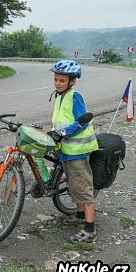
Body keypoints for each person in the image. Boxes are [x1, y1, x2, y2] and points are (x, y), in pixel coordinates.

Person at [48, 60, 99, 243]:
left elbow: (81, 121)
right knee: (73, 184)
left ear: (72, 81)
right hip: (66, 150)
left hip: (78, 150)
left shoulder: (75, 96)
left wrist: (62, 132)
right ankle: (79, 216)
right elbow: (61, 120)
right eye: (55, 79)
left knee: (83, 188)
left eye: (61, 80)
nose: (57, 83)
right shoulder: (61, 96)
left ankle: (90, 229)